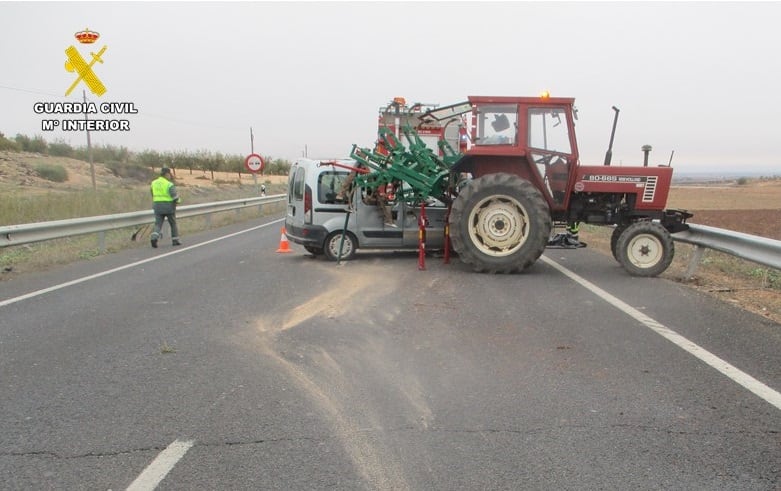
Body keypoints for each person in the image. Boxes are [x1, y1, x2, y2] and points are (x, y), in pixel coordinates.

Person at [150, 166, 181, 248]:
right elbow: (174, 197)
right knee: (173, 223)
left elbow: (152, 194)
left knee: (158, 224)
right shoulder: (169, 184)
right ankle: (175, 240)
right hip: (168, 207)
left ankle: (154, 237)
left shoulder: (153, 183)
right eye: (169, 174)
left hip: (157, 206)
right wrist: (178, 201)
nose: (170, 176)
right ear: (167, 174)